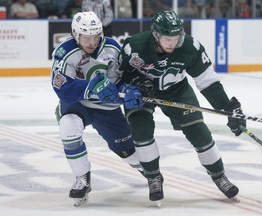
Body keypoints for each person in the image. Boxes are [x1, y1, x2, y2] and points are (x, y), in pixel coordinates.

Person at [118, 10, 246, 202]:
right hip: (141, 94)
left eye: (177, 37)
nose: (173, 43)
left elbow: (208, 82)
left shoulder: (190, 47)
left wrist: (227, 107)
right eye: (168, 39)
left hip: (177, 90)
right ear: (155, 35)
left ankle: (220, 176)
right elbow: (118, 77)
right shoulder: (134, 46)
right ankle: (153, 177)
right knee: (141, 131)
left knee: (199, 133)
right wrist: (134, 84)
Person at [51, 11, 144, 206]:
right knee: (68, 127)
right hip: (77, 104)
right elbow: (62, 88)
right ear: (76, 35)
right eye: (86, 37)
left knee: (127, 151)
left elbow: (120, 79)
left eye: (95, 36)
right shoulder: (64, 52)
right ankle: (82, 178)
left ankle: (148, 170)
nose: (92, 42)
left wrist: (127, 89)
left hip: (106, 109)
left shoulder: (111, 48)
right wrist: (91, 87)